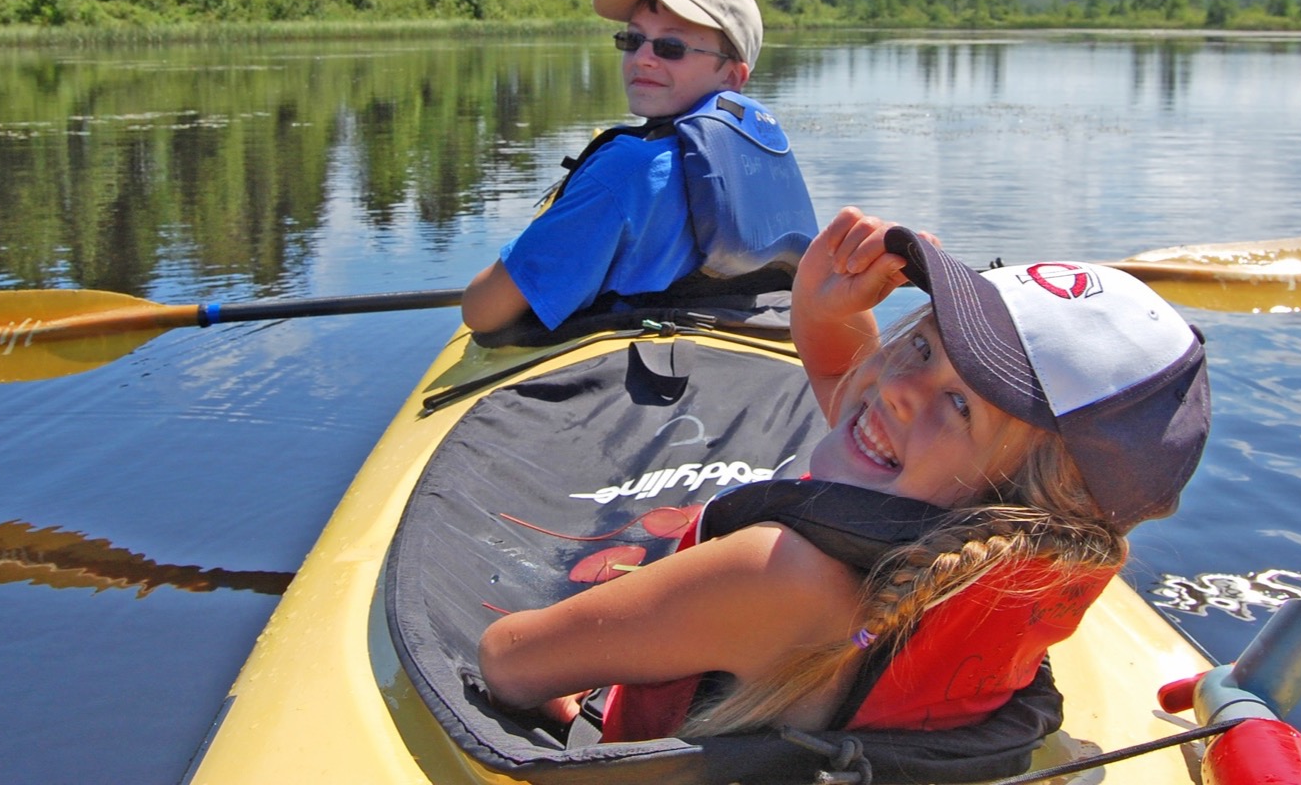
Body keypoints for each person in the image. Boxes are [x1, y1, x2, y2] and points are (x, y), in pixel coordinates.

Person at [477, 205, 1211, 741]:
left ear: (1030, 492)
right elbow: (851, 389)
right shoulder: (1020, 559)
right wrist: (820, 306)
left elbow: (511, 663)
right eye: (921, 346)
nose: (897, 386)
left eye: (960, 403)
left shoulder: (778, 578)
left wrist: (582, 677)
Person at [462, 0, 811, 335]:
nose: (643, 57)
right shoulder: (758, 155)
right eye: (632, 40)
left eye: (671, 47)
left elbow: (481, 312)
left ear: (731, 76)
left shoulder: (624, 169)